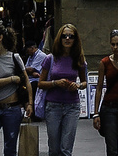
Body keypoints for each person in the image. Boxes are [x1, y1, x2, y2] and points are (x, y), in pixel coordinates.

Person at [0, 22, 32, 156]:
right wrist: (12, 79)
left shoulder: (15, 57)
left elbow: (26, 80)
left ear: (0, 38)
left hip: (12, 109)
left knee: (10, 148)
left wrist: (29, 103)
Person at [38, 23, 88, 156]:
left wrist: (77, 86)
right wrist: (55, 83)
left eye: (71, 36)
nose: (67, 39)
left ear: (75, 39)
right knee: (54, 148)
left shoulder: (79, 60)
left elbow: (84, 82)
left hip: (72, 106)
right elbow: (40, 83)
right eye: (64, 36)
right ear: (59, 39)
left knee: (66, 149)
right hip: (53, 106)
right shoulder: (51, 58)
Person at [93, 28, 118, 156]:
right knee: (112, 148)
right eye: (113, 44)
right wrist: (96, 113)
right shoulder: (105, 63)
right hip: (109, 108)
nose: (115, 47)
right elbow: (99, 88)